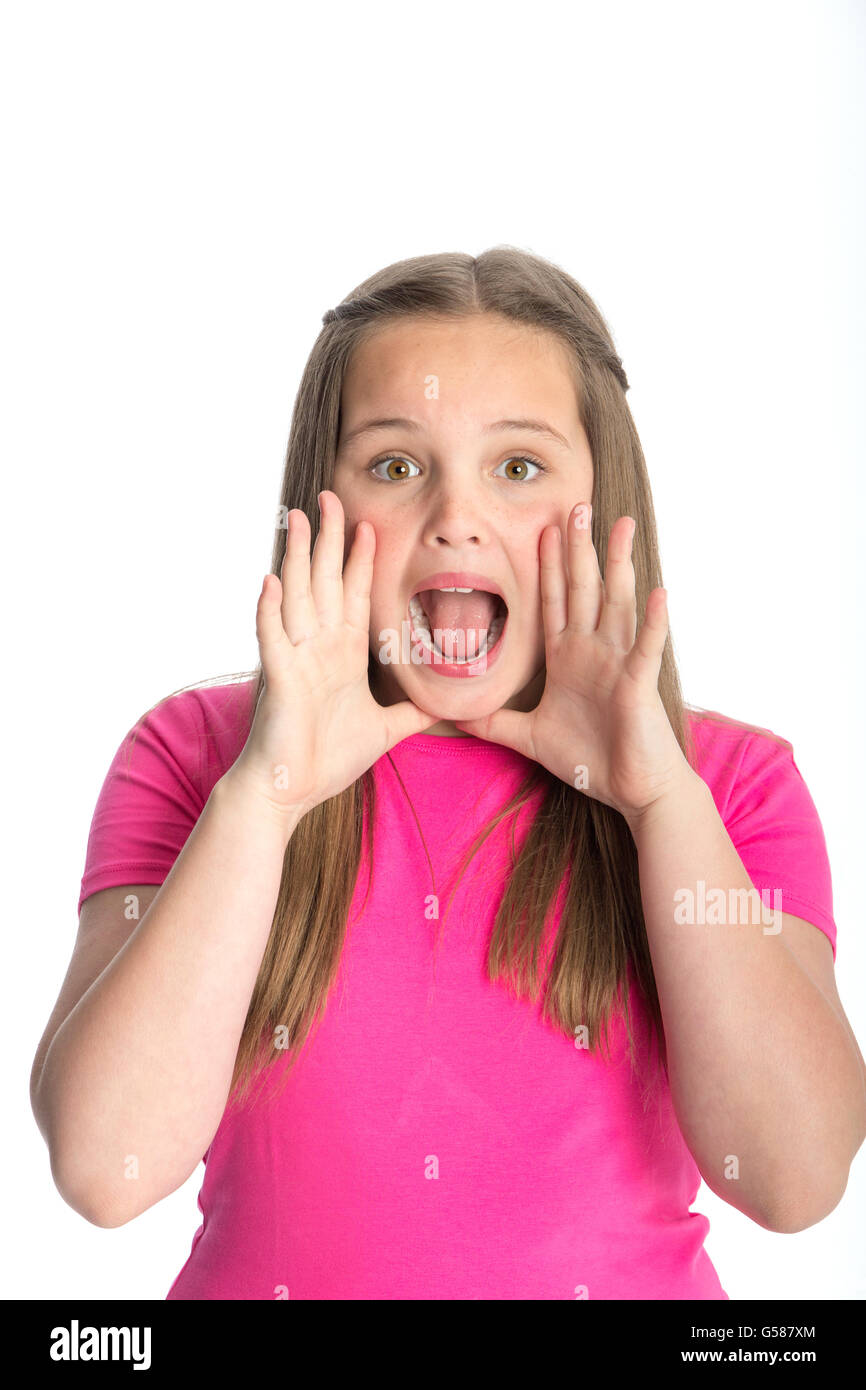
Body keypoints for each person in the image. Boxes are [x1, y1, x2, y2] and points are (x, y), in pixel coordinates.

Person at [30, 248, 866, 1300]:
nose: (454, 516)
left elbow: (793, 1178)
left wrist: (659, 803)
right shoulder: (197, 757)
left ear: (603, 509)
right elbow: (108, 1169)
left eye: (517, 467)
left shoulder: (729, 786)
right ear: (316, 506)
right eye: (394, 465)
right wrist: (266, 795)